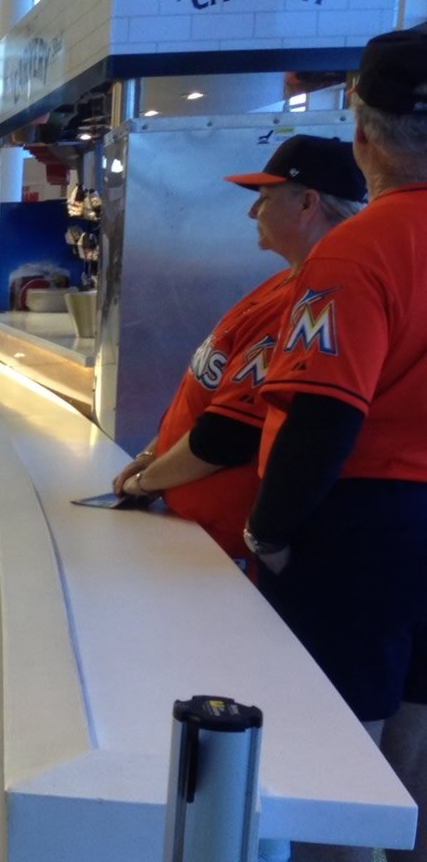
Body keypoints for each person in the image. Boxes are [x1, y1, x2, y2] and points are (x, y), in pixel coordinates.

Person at [241, 25, 427, 862]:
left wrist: (271, 532)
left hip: (363, 524)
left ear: (362, 132)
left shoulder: (359, 247)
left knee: (338, 754)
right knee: (420, 742)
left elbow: (323, 415)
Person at [112, 135, 367, 563]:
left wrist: (146, 482)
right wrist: (151, 455)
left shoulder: (308, 302)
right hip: (192, 531)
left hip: (224, 552)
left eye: (265, 198)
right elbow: (205, 398)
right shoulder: (281, 284)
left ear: (308, 204)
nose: (252, 211)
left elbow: (229, 435)